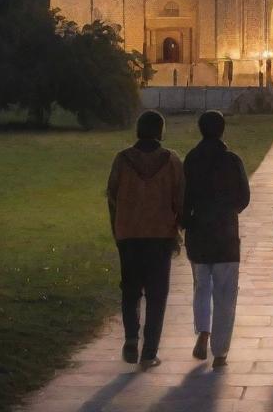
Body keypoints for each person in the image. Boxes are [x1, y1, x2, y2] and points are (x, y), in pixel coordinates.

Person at [106, 110, 185, 369]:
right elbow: (180, 200)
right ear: (160, 131)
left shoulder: (122, 159)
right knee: (157, 294)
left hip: (128, 233)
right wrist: (179, 227)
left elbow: (112, 198)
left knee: (130, 290)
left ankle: (130, 337)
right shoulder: (171, 161)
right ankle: (149, 352)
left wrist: (117, 229)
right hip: (160, 235)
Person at [182, 109, 251, 369]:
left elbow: (183, 198)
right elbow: (244, 197)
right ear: (222, 130)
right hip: (225, 235)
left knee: (201, 286)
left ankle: (203, 331)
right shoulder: (231, 160)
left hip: (198, 232)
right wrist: (227, 212)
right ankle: (220, 351)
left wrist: (188, 220)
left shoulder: (191, 159)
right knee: (225, 293)